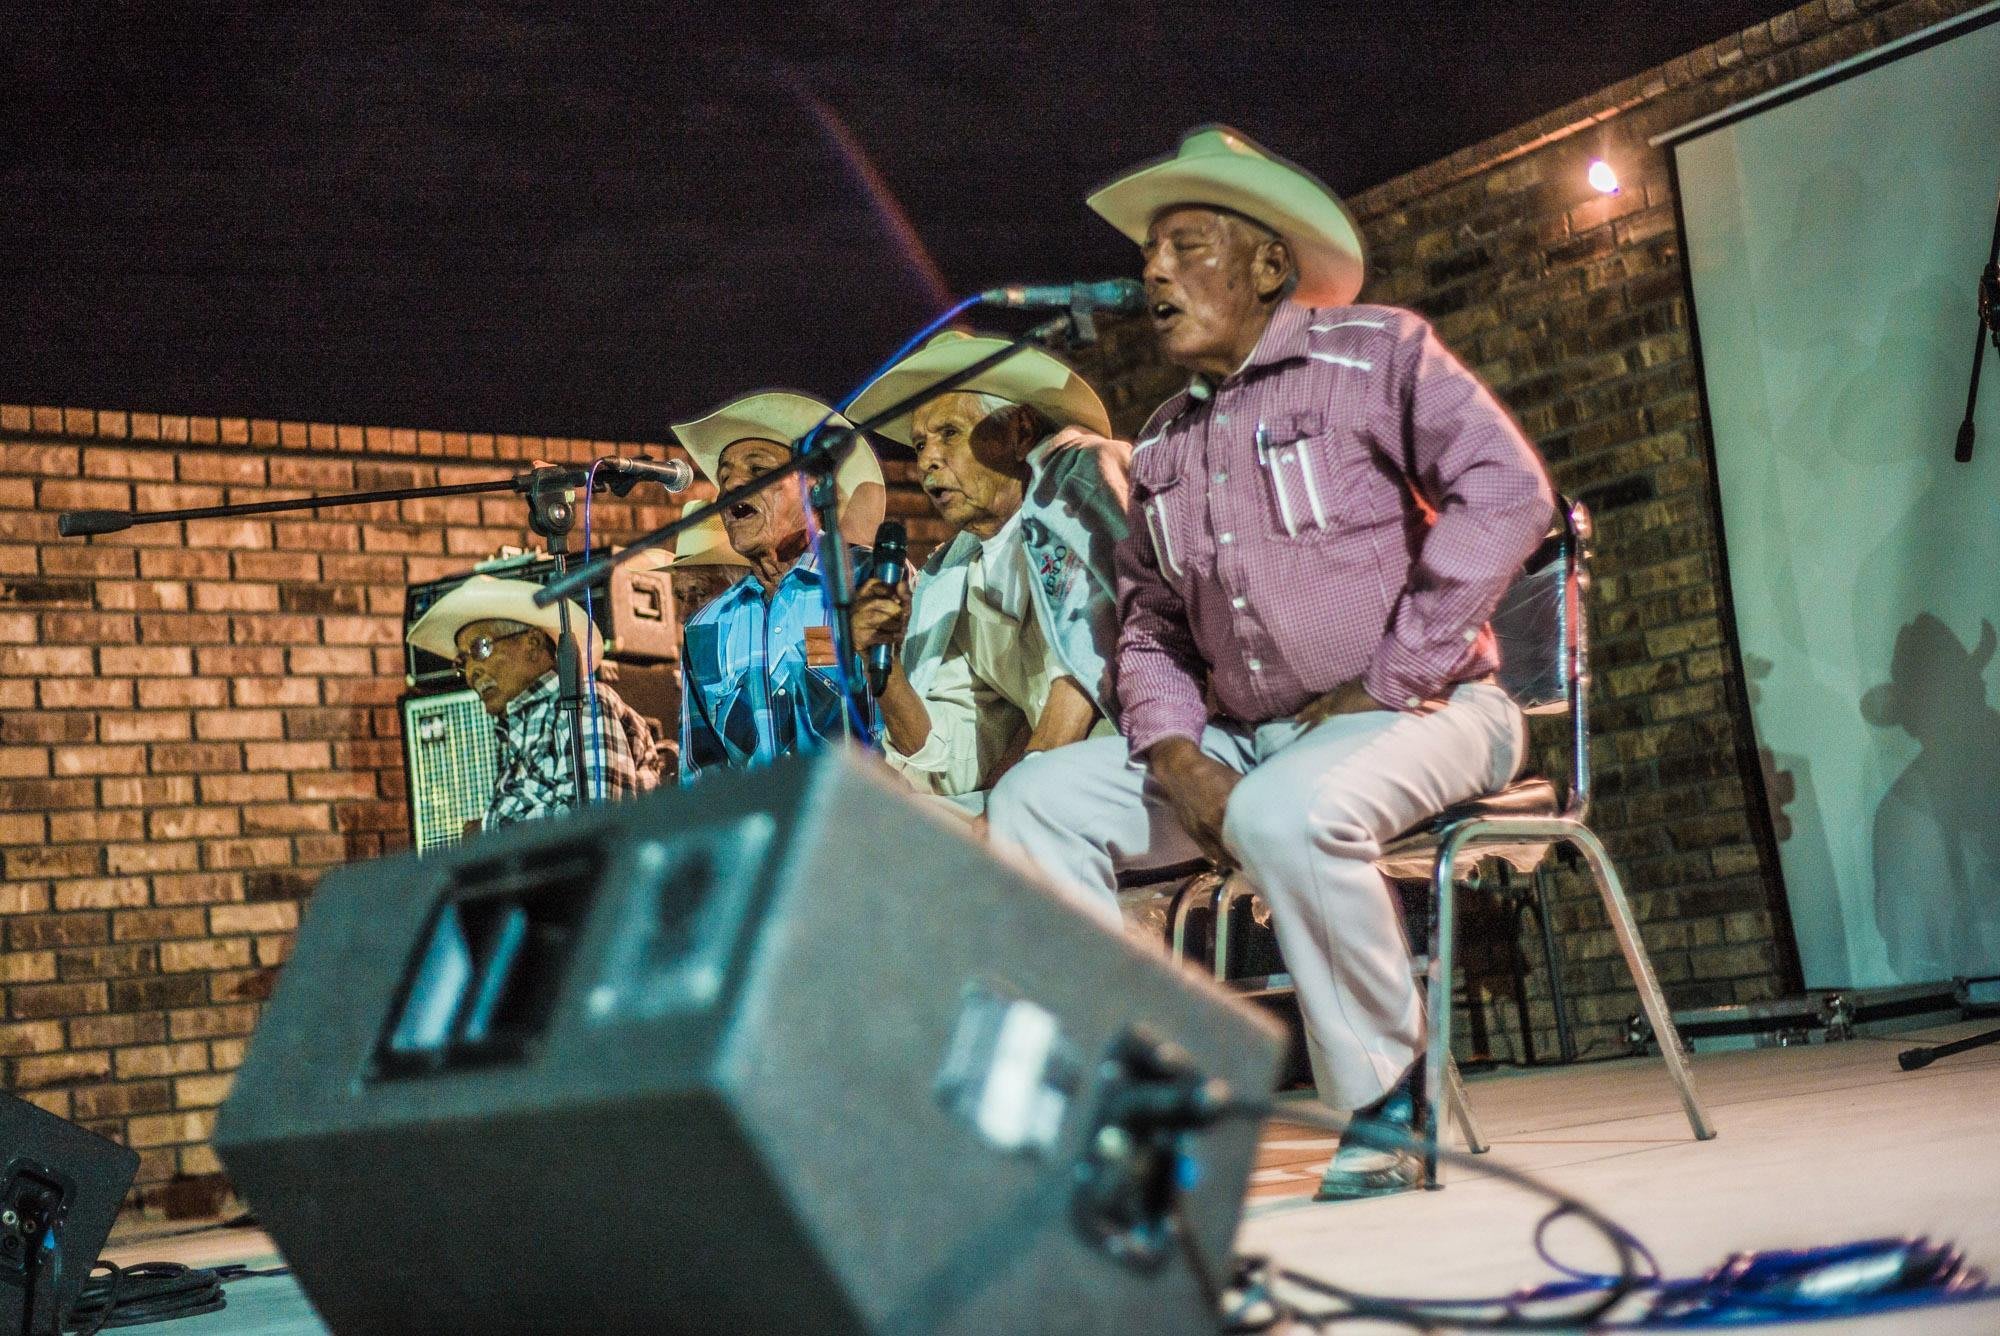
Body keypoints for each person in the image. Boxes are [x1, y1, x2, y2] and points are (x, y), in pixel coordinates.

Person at [986, 125, 1555, 1200]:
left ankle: (1389, 1101)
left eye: (1185, 246)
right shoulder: (1161, 441)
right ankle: (1127, 1107)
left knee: (1284, 811)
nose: (1153, 274)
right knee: (1032, 801)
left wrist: (1391, 674)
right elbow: (1148, 624)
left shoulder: (1375, 355)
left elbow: (1507, 492)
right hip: (1250, 741)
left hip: (1430, 709)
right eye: (1148, 256)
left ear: (1266, 264)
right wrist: (1173, 753)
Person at [844, 332, 1130, 813]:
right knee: (892, 827)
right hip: (1055, 783)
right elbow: (952, 761)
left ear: (1019, 431)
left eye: (950, 433)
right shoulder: (954, 574)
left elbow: (1100, 645)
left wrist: (1019, 798)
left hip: (1146, 760)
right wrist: (884, 666)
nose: (927, 460)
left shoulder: (1083, 476)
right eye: (919, 444)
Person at [672, 390, 886, 779]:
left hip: (867, 808)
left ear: (813, 487)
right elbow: (702, 775)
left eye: (758, 471)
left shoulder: (868, 579)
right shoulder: (705, 627)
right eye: (724, 478)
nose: (732, 487)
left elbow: (918, 730)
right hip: (761, 817)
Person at [406, 573, 667, 830]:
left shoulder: (582, 703)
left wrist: (489, 833)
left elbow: (596, 821)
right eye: (462, 662)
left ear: (532, 643)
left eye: (481, 648)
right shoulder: (520, 726)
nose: (471, 671)